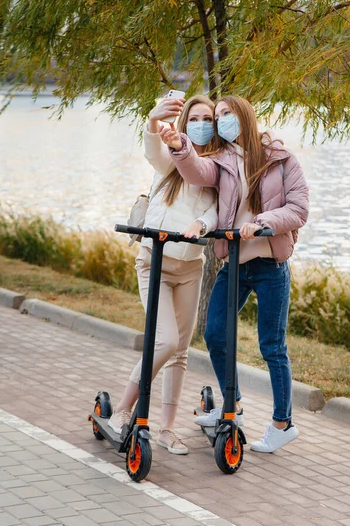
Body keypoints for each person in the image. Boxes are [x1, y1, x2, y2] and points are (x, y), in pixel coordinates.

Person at [160, 95, 309, 453]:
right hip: (235, 264)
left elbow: (299, 208)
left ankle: (282, 423)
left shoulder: (281, 159)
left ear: (245, 115)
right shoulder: (222, 161)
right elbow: (196, 170)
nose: (222, 120)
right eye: (218, 115)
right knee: (214, 333)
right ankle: (234, 405)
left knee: (272, 346)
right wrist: (180, 145)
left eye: (228, 113)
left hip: (271, 263)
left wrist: (263, 223)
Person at [108, 94, 218, 455]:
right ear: (185, 123)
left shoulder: (218, 167)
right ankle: (124, 410)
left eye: (209, 119)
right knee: (165, 340)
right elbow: (152, 147)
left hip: (190, 268)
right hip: (154, 261)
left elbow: (221, 209)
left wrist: (204, 222)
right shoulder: (171, 159)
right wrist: (154, 121)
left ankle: (167, 430)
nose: (202, 125)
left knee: (180, 351)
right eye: (196, 118)